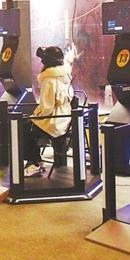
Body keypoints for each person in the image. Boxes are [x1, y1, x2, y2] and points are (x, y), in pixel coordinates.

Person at [23, 46, 73, 177]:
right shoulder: (66, 75)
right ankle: (37, 162)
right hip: (65, 120)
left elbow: (46, 108)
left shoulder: (49, 80)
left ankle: (35, 162)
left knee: (23, 129)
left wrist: (34, 116)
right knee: (29, 125)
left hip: (54, 123)